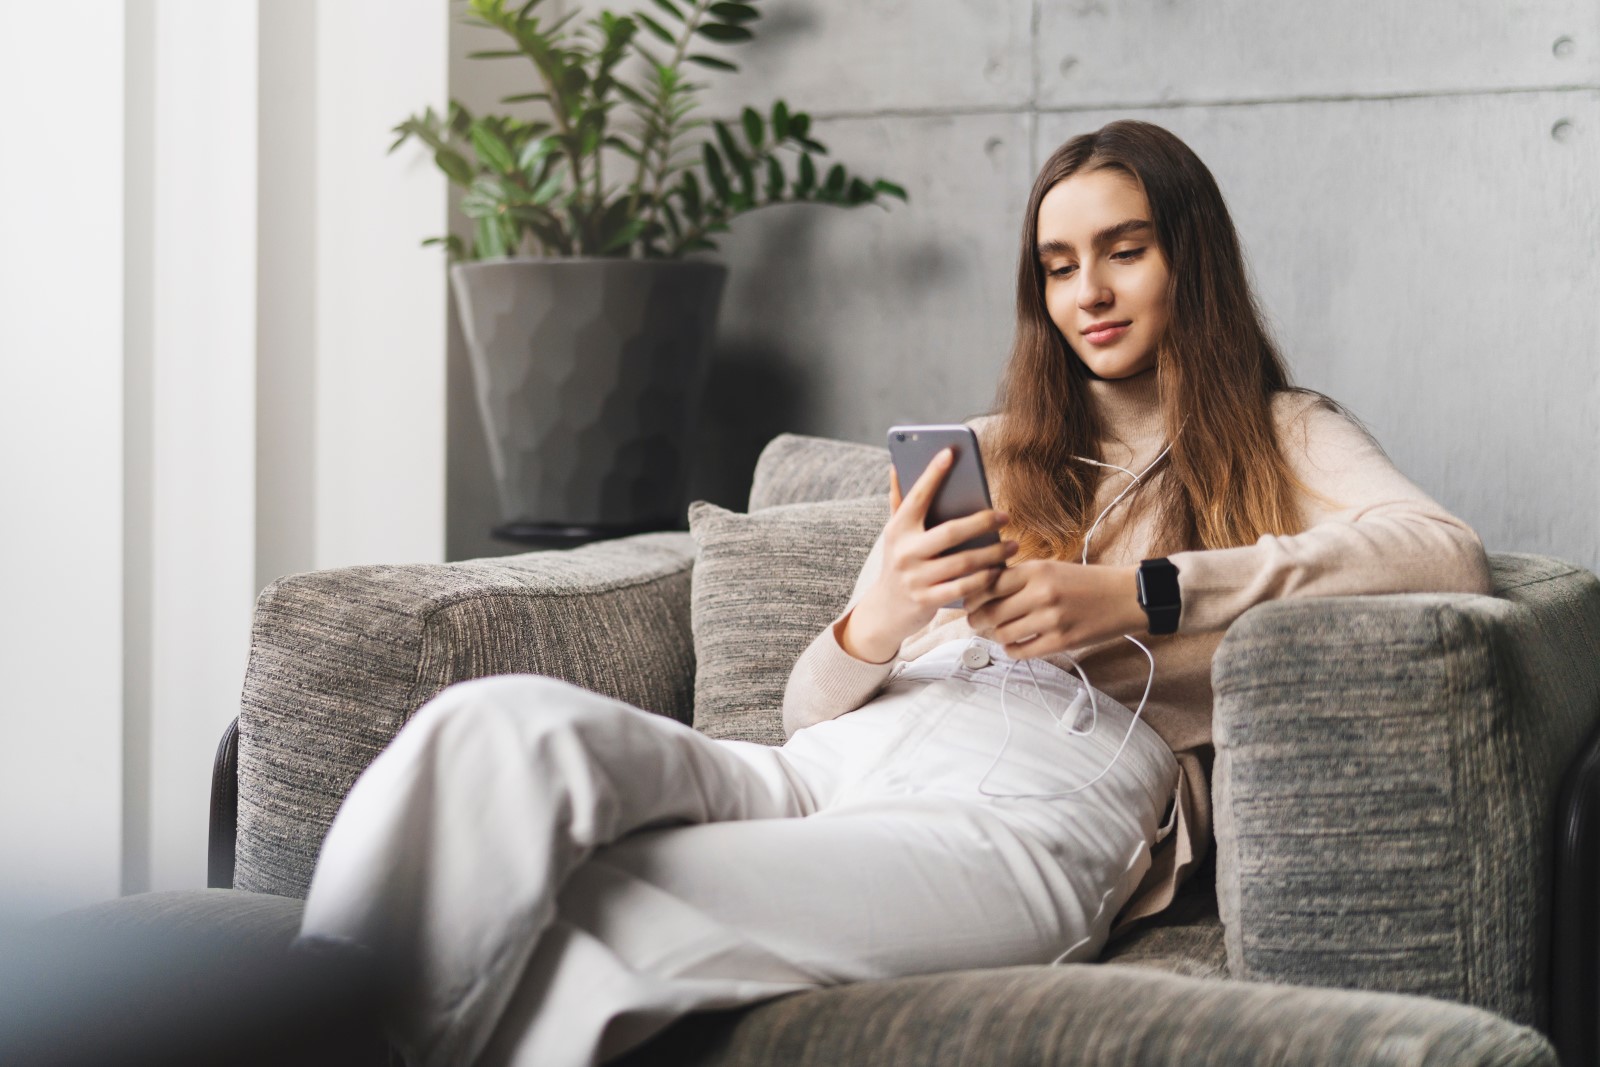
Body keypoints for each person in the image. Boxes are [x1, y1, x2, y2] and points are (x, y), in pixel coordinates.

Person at [296, 119, 1494, 1067]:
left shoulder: (1285, 433)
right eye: (1059, 264)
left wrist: (1139, 593)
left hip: (1023, 810)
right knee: (485, 727)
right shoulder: (987, 446)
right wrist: (880, 612)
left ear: (1191, 255)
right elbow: (812, 709)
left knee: (620, 902)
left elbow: (1440, 553)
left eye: (1123, 249)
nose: (1089, 291)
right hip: (822, 767)